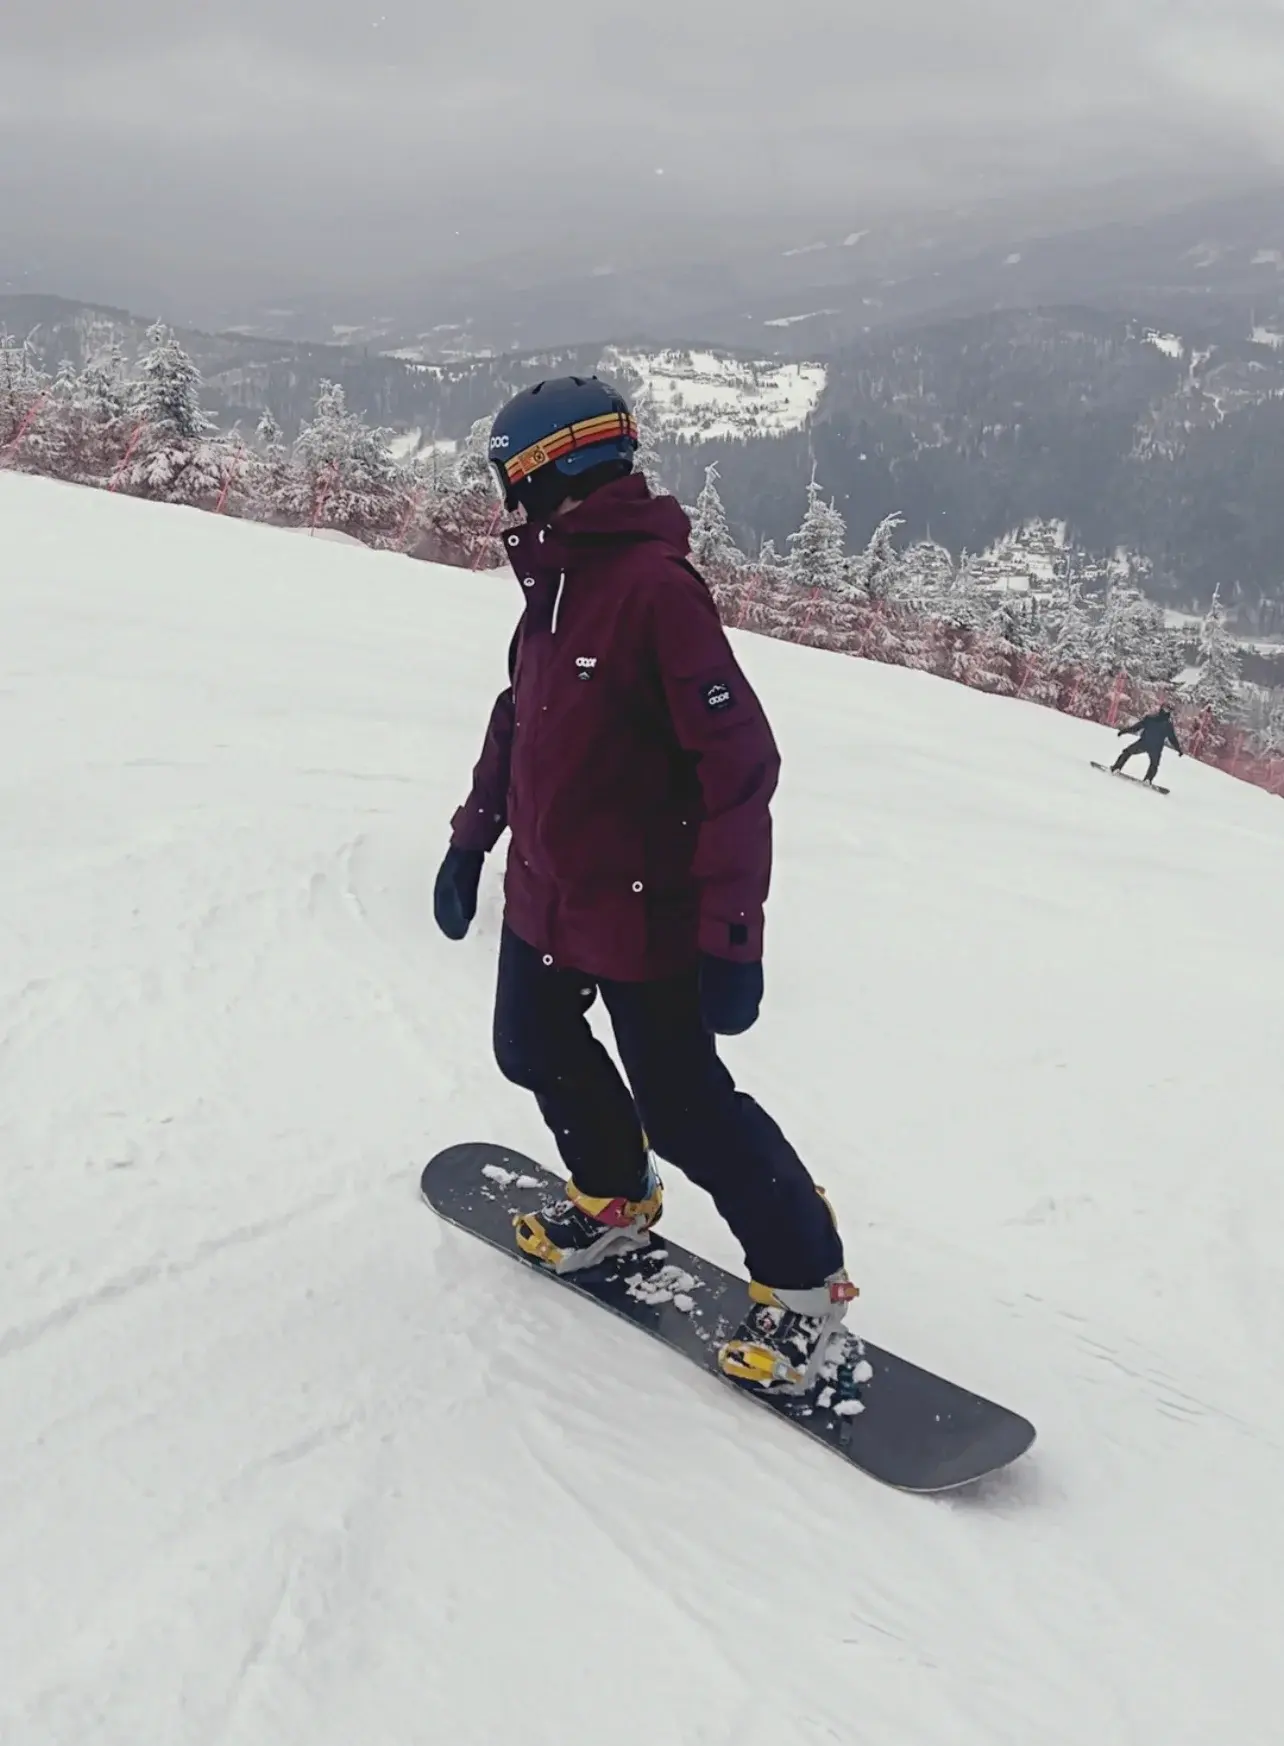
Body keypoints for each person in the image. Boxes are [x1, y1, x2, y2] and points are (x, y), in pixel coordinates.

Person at [432, 376, 854, 1394]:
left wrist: (731, 935)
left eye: (510, 480)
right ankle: (617, 1196)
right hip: (547, 893)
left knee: (689, 1108)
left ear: (555, 473)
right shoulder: (556, 586)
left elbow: (739, 765)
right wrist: (470, 839)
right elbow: (517, 722)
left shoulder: (655, 592)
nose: (503, 503)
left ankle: (806, 1284)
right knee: (528, 1044)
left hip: (643, 911)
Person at [1112, 705, 1183, 784]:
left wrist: (1178, 749)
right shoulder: (1157, 721)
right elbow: (1136, 727)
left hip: (1148, 745)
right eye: (1166, 709)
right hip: (1150, 745)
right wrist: (1124, 731)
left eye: (1168, 710)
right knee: (1128, 752)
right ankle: (1118, 768)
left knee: (1153, 763)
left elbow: (1172, 738)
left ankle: (1147, 779)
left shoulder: (1162, 723)